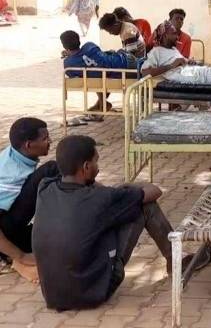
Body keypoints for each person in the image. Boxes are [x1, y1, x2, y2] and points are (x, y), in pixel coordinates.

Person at [33, 135, 199, 310]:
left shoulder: (45, 187)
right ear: (86, 167)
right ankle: (175, 260)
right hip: (93, 294)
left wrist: (103, 187)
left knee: (108, 218)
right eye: (96, 162)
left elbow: (86, 187)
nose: (98, 168)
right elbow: (155, 191)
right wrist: (130, 186)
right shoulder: (102, 199)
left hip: (54, 296)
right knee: (145, 206)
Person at [0, 118, 57, 283]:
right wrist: (22, 256)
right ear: (29, 145)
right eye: (45, 138)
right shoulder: (12, 174)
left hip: (10, 223)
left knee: (48, 246)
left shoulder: (15, 153)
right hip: (4, 226)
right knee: (50, 170)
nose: (50, 141)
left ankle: (12, 260)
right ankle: (16, 261)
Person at [141, 21, 211, 84]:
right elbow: (145, 72)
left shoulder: (172, 49)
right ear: (165, 35)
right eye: (174, 34)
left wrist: (189, 62)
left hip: (199, 72)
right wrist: (172, 65)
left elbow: (181, 63)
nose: (177, 37)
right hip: (200, 76)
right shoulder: (156, 52)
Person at [60, 30, 138, 113]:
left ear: (65, 47)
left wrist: (71, 56)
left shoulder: (68, 64)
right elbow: (98, 57)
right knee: (98, 72)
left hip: (111, 75)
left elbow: (76, 71)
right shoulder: (90, 46)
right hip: (126, 62)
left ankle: (101, 103)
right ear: (79, 41)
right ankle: (101, 103)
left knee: (93, 76)